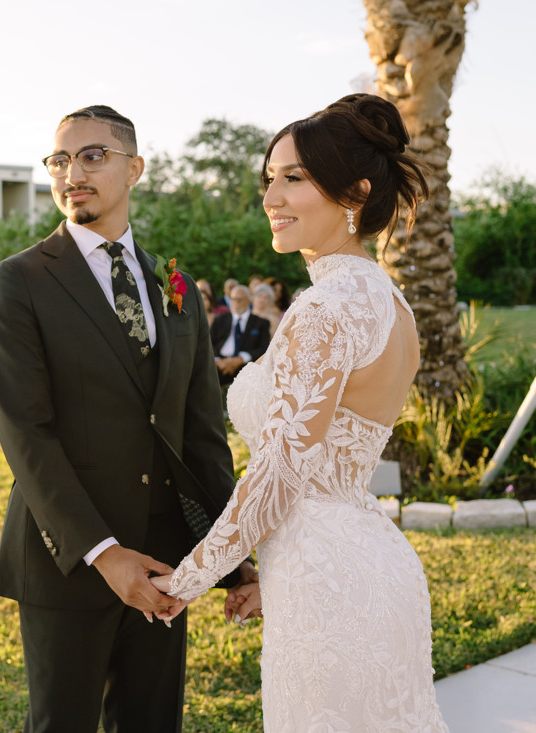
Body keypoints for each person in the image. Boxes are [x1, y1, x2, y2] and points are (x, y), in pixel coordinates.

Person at [153, 93, 447, 730]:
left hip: (329, 590)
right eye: (269, 179)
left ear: (355, 193)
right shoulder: (390, 303)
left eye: (294, 178)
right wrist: (277, 580)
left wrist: (185, 579)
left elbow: (280, 474)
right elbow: (331, 465)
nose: (271, 198)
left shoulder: (325, 309)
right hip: (366, 566)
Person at [0, 105, 255, 732]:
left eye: (92, 156)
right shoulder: (19, 281)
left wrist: (228, 555)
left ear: (135, 169)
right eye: (60, 160)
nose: (72, 173)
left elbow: (202, 434)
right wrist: (104, 554)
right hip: (69, 562)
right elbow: (26, 435)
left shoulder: (175, 284)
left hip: (165, 563)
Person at [209, 284, 271, 385]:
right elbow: (209, 344)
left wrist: (241, 359)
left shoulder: (261, 323)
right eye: (233, 299)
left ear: (249, 300)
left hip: (246, 367)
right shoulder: (219, 320)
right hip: (218, 365)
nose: (236, 302)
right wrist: (218, 361)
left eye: (240, 299)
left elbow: (264, 349)